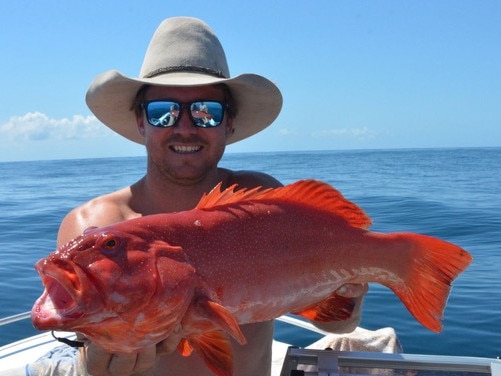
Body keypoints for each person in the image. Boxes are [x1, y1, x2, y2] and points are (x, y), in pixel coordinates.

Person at [30, 16, 368, 376]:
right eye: (164, 112)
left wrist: (351, 290)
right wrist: (94, 369)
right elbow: (89, 350)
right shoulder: (92, 228)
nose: (185, 127)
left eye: (207, 112)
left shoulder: (262, 201)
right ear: (141, 122)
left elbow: (338, 326)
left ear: (229, 123)